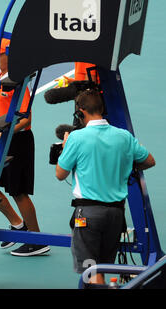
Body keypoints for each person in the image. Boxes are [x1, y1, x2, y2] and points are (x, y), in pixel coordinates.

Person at [56, 89, 155, 284]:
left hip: (88, 216)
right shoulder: (124, 136)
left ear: (80, 112)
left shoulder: (76, 138)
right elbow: (149, 161)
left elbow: (60, 174)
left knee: (91, 271)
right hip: (116, 217)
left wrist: (66, 147)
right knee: (101, 267)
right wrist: (126, 163)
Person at [0, 39, 50, 257]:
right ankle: (18, 225)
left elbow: (26, 119)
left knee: (19, 193)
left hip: (17, 140)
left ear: (8, 56)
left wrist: (0, 134)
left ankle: (37, 240)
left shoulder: (18, 80)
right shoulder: (1, 78)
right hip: (3, 138)